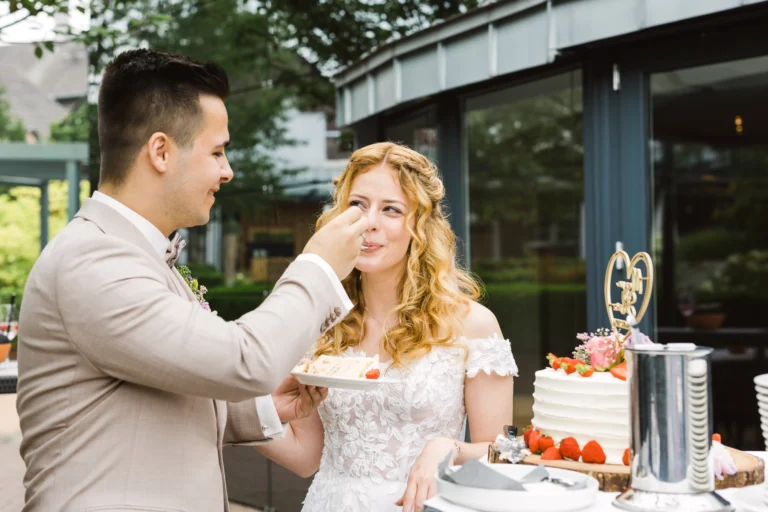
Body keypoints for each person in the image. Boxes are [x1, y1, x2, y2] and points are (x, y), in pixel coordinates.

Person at [15, 49, 367, 512]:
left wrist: (263, 406)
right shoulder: (94, 260)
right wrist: (318, 265)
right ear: (160, 151)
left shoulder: (135, 254)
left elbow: (149, 400)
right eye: (217, 151)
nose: (227, 170)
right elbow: (245, 360)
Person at [254, 142, 518, 512]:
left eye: (391, 209)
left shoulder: (471, 325)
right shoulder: (319, 320)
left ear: (420, 227)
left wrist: (449, 448)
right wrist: (231, 412)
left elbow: (503, 454)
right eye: (358, 205)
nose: (369, 222)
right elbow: (305, 457)